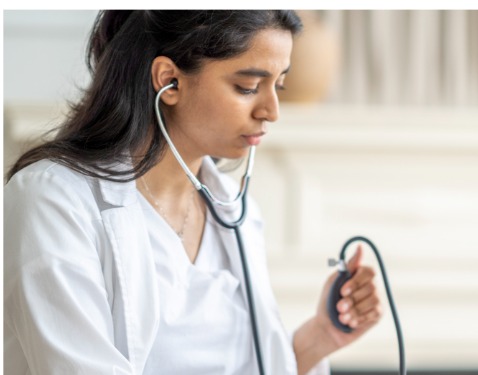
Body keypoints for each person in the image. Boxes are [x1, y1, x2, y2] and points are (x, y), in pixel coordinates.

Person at [4, 10, 381, 374]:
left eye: (278, 84)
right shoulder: (53, 201)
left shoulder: (236, 212)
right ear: (170, 80)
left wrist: (320, 336)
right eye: (248, 86)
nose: (272, 110)